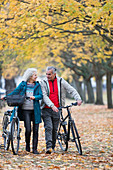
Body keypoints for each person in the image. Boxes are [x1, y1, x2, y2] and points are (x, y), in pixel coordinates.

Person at [40, 66, 82, 154]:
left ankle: (53, 147)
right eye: (46, 74)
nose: (47, 76)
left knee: (55, 129)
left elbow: (71, 90)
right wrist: (51, 105)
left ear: (54, 74)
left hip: (58, 108)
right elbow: (44, 96)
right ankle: (48, 147)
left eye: (49, 74)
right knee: (48, 127)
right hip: (46, 109)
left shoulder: (61, 81)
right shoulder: (43, 82)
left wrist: (78, 98)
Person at [6, 68, 43, 154]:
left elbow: (41, 95)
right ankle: (27, 146)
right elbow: (15, 92)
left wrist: (35, 97)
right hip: (25, 110)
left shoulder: (38, 85)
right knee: (28, 129)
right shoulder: (23, 84)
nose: (36, 77)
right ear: (30, 76)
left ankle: (35, 149)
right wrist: (7, 97)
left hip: (35, 110)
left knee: (36, 130)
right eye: (35, 75)